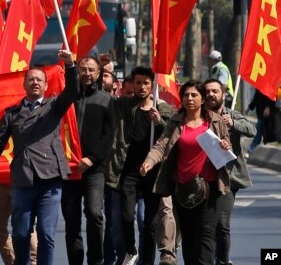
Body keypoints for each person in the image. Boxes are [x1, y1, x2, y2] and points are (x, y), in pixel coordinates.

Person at [0, 50, 77, 265]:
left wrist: (70, 66)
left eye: (39, 80)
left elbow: (72, 91)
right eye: (31, 79)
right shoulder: (12, 114)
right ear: (23, 85)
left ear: (46, 85)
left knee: (46, 233)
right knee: (21, 233)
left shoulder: (53, 106)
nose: (35, 83)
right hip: (23, 180)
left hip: (49, 179)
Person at [140, 80, 232, 265]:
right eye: (186, 95)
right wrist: (149, 161)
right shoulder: (175, 121)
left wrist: (225, 145)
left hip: (210, 188)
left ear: (202, 99)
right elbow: (162, 144)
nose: (189, 98)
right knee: (189, 239)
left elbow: (226, 145)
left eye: (194, 95)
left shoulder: (215, 120)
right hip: (183, 190)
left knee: (206, 236)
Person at [107, 66, 174, 265]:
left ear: (152, 85)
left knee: (149, 223)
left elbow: (172, 137)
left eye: (146, 83)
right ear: (132, 85)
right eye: (138, 83)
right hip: (129, 172)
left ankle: (148, 261)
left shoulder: (163, 110)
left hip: (154, 174)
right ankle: (131, 250)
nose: (142, 87)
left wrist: (159, 121)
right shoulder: (125, 106)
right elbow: (108, 98)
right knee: (127, 216)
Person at [61, 56, 115, 265]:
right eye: (83, 69)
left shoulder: (105, 100)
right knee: (71, 220)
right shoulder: (67, 99)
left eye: (92, 70)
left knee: (94, 213)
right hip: (69, 169)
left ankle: (96, 260)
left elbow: (108, 136)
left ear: (99, 73)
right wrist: (69, 66)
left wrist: (91, 159)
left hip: (94, 169)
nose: (87, 74)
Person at [203, 78, 255, 265]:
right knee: (206, 225)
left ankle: (223, 261)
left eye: (215, 91)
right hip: (202, 178)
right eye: (207, 91)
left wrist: (233, 123)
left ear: (223, 95)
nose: (210, 94)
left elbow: (252, 130)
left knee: (222, 223)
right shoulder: (198, 117)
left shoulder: (232, 114)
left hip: (228, 178)